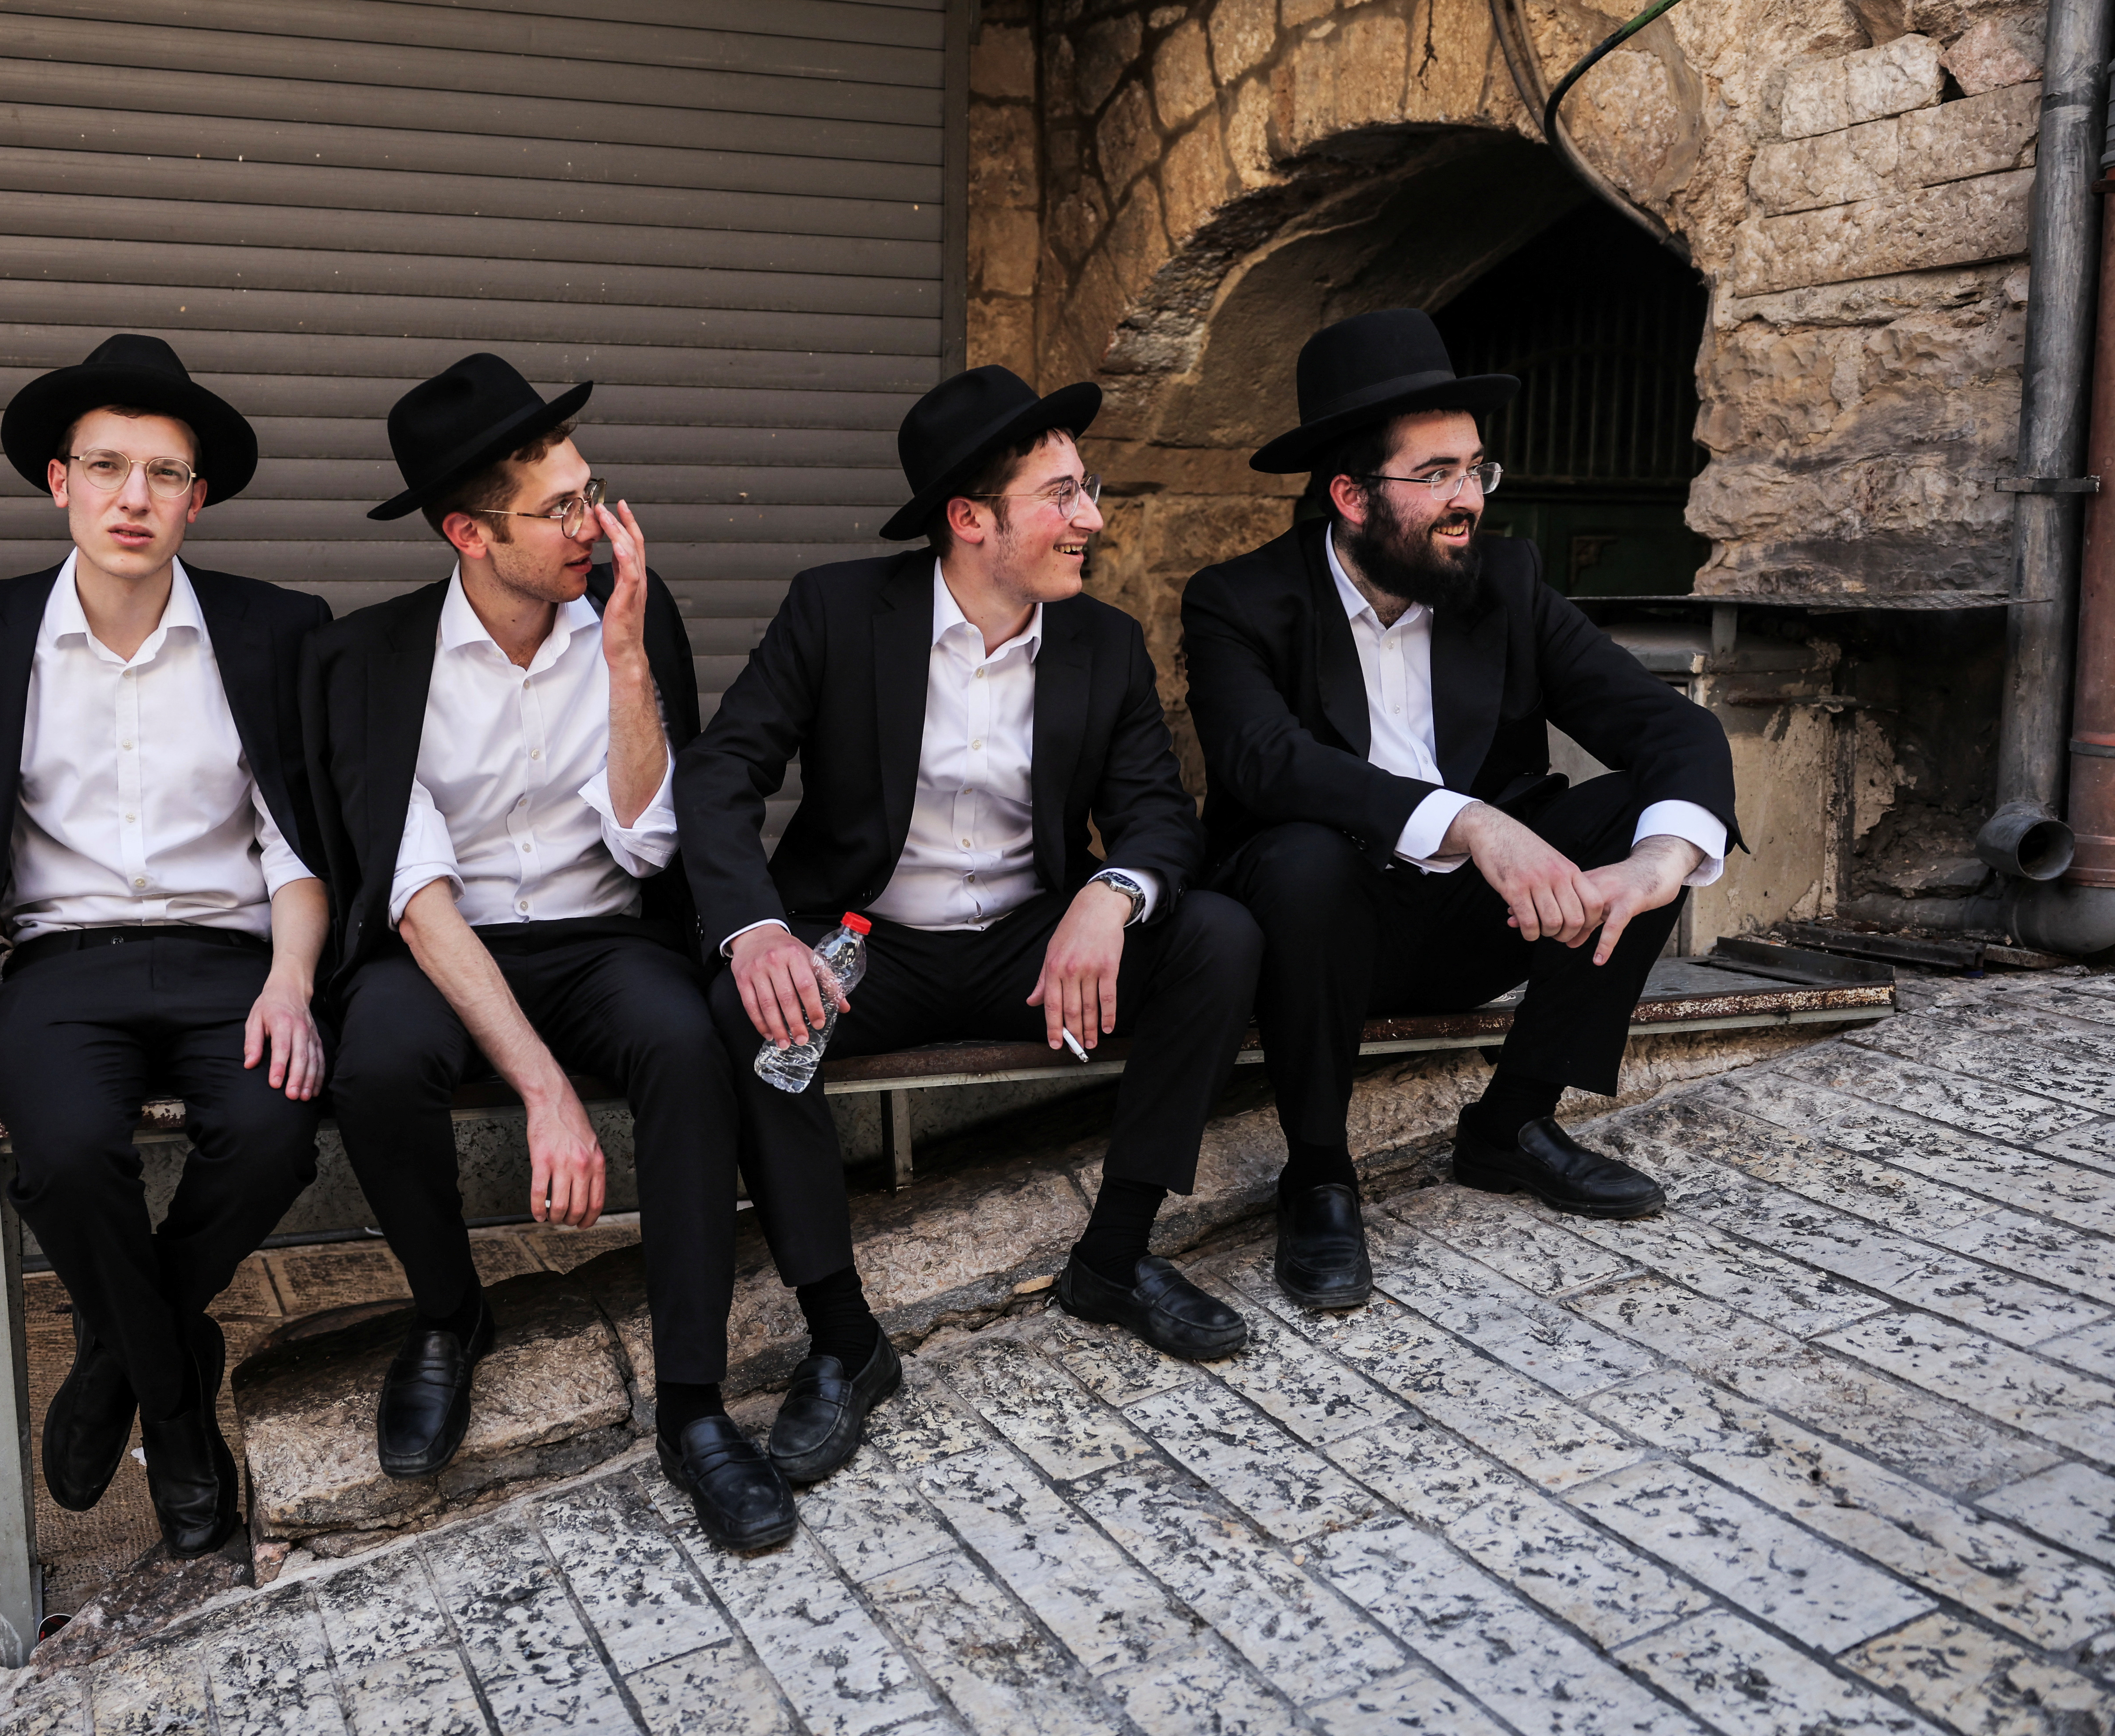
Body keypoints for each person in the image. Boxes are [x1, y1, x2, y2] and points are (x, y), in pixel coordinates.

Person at [679, 366, 1266, 1487]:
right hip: (866, 941)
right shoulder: (837, 610)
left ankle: (1115, 1255)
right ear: (971, 519)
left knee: (1220, 935)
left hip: (1031, 946)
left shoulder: (1103, 642)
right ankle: (846, 1336)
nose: (1091, 517)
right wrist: (756, 931)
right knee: (748, 1016)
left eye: (1085, 490)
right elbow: (719, 778)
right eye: (1062, 495)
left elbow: (1155, 813)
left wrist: (1112, 894)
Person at [299, 355, 790, 1550]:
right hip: (446, 946)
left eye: (592, 490)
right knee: (375, 1061)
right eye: (561, 508)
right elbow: (413, 895)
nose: (595, 525)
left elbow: (645, 849)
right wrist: (546, 1088)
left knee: (683, 1040)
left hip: (597, 933)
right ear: (469, 533)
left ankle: (691, 1404)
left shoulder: (631, 612)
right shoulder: (371, 662)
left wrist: (623, 658)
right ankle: (449, 1313)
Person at [1180, 307, 1740, 1311]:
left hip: (1479, 922)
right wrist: (1469, 819)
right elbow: (1263, 763)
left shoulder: (1509, 582)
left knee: (1639, 815)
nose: (1466, 499)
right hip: (1313, 932)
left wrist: (1664, 862)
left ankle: (1511, 1124)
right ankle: (1318, 1173)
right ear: (1350, 496)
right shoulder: (1240, 599)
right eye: (1435, 474)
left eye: (1475, 469)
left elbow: (1671, 729)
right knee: (1301, 856)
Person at [0, 334, 331, 1557]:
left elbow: (303, 840)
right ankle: (181, 1413)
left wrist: (293, 983)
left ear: (201, 497)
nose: (136, 499)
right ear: (57, 481)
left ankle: (122, 1352)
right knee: (67, 1153)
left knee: (280, 1131)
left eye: (166, 475)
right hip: (59, 969)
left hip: (233, 960)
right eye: (109, 468)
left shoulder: (280, 631)